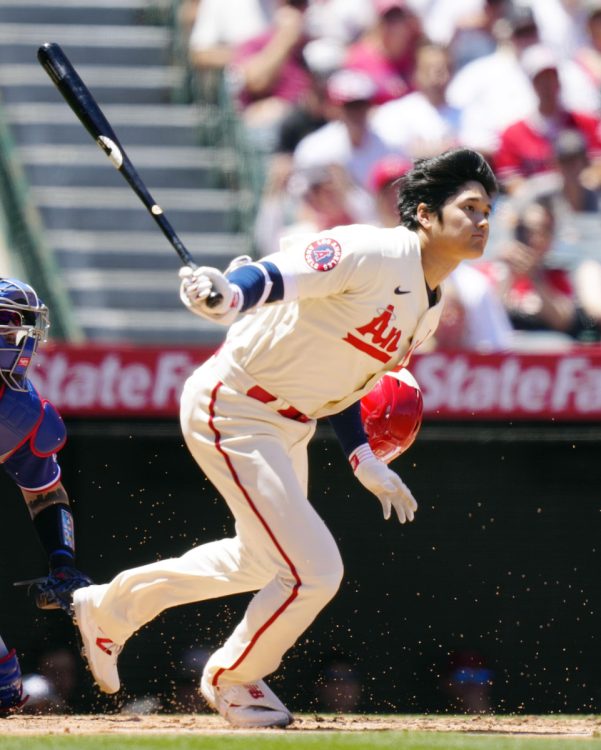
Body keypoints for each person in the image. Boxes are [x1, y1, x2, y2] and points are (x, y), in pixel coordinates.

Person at [71, 148, 498, 728]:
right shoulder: (371, 250)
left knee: (257, 563)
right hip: (236, 403)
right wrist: (231, 294)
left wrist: (362, 456)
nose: (482, 220)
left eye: (487, 210)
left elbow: (350, 383)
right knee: (316, 569)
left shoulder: (429, 306)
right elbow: (279, 274)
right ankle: (233, 676)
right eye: (469, 207)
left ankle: (109, 608)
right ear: (424, 214)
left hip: (288, 424)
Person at [0, 278, 91, 713]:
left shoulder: (21, 412)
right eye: (8, 327)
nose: (21, 340)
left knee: (3, 685)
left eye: (21, 328)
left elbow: (44, 493)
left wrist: (62, 562)